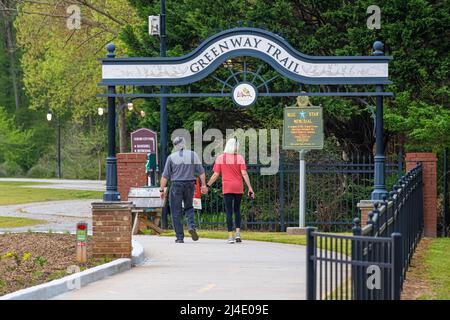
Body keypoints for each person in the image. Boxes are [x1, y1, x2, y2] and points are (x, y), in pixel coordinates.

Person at [160, 137, 208, 243]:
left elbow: (165, 176)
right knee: (189, 207)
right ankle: (191, 226)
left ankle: (180, 237)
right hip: (190, 184)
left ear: (175, 146)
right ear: (184, 144)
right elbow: (201, 172)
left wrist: (161, 190)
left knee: (175, 211)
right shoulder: (193, 155)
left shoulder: (171, 157)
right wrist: (203, 185)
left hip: (176, 185)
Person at [207, 138, 255, 244]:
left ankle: (230, 237)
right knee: (237, 210)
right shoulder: (239, 158)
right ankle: (238, 234)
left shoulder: (220, 158)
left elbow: (215, 174)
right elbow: (244, 174)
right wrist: (250, 188)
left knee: (229, 211)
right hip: (238, 187)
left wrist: (207, 185)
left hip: (227, 187)